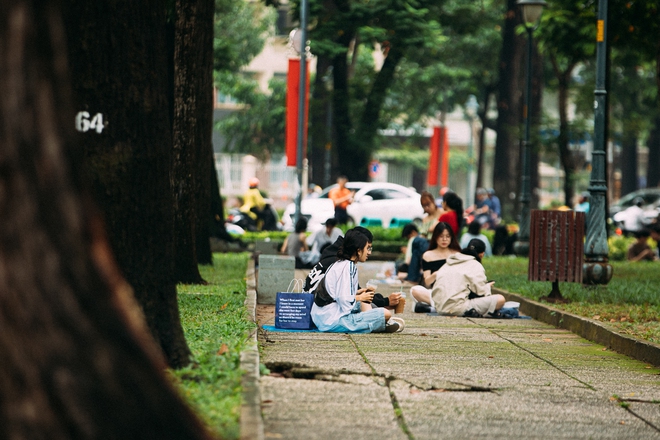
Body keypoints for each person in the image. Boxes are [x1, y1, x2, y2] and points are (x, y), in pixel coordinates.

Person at [310, 229, 405, 333]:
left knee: (365, 302)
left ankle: (376, 323)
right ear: (358, 251)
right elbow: (345, 302)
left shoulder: (341, 263)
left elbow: (338, 294)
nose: (369, 252)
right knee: (385, 313)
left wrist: (358, 293)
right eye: (367, 248)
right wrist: (359, 297)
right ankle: (378, 323)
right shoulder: (348, 267)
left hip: (323, 317)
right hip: (332, 320)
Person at [304, 227, 401, 309]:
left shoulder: (335, 256)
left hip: (309, 305)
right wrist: (385, 301)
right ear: (358, 247)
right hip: (318, 308)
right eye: (368, 247)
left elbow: (351, 292)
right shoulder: (342, 263)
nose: (369, 252)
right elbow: (347, 298)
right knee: (370, 308)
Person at [430, 238, 505, 317]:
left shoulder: (449, 262)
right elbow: (481, 292)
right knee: (500, 300)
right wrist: (487, 287)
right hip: (459, 308)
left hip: (439, 308)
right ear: (482, 254)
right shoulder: (475, 265)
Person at [410, 222, 461, 313]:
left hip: (454, 292)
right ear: (435, 237)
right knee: (414, 290)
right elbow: (427, 282)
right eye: (441, 236)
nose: (444, 239)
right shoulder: (428, 255)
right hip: (435, 292)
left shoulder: (457, 254)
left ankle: (434, 308)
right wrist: (435, 275)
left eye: (448, 236)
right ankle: (444, 307)